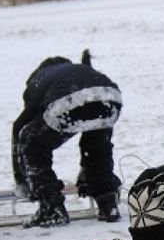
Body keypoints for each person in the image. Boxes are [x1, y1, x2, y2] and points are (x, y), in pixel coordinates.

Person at [11, 56, 122, 228]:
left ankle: (51, 208)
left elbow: (21, 128)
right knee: (97, 146)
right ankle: (107, 202)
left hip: (68, 102)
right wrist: (89, 171)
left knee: (32, 143)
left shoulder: (38, 80)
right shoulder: (74, 70)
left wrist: (22, 179)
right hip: (110, 97)